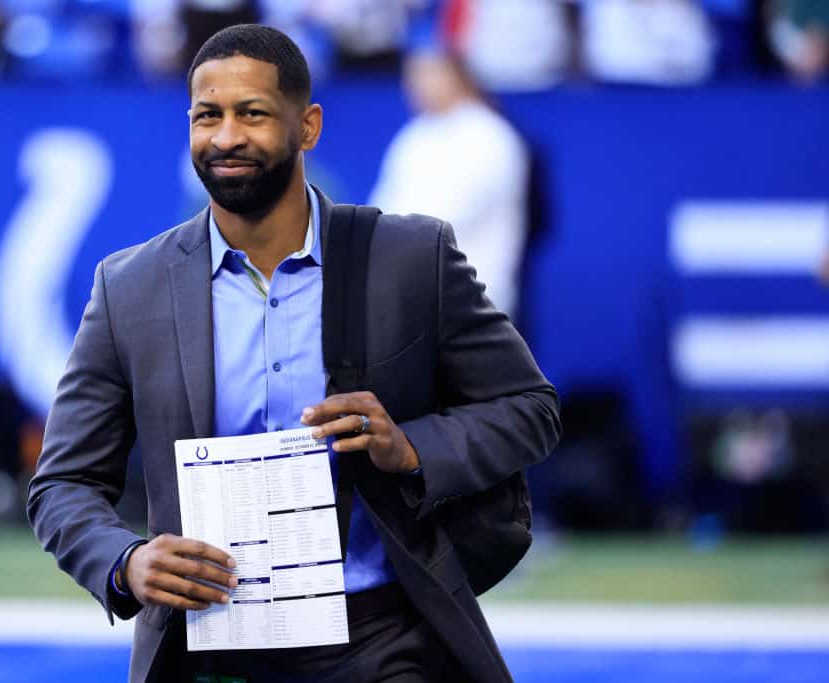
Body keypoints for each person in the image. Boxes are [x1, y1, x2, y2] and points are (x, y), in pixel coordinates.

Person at [28, 23, 560, 683]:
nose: (226, 137)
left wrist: (411, 446)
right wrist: (125, 562)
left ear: (308, 126)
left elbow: (530, 408)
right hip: (209, 645)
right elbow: (63, 483)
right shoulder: (130, 285)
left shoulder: (408, 259)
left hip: (383, 637)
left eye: (252, 113)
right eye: (207, 116)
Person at [370, 47, 529, 317]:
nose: (415, 84)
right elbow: (382, 205)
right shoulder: (414, 135)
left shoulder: (490, 135)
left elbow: (448, 218)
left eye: (426, 73)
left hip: (473, 298)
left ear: (455, 75)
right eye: (411, 75)